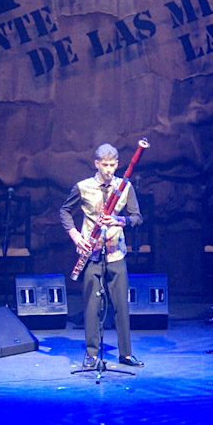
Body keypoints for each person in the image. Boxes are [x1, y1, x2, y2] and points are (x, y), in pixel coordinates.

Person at [60, 143, 144, 369]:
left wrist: (119, 220)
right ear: (96, 164)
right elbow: (64, 211)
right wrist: (75, 236)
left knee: (121, 306)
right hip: (91, 254)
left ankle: (126, 354)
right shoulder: (83, 187)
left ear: (117, 164)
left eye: (112, 165)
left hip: (116, 253)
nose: (109, 170)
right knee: (91, 306)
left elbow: (137, 217)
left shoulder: (125, 187)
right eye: (104, 165)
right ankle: (91, 354)